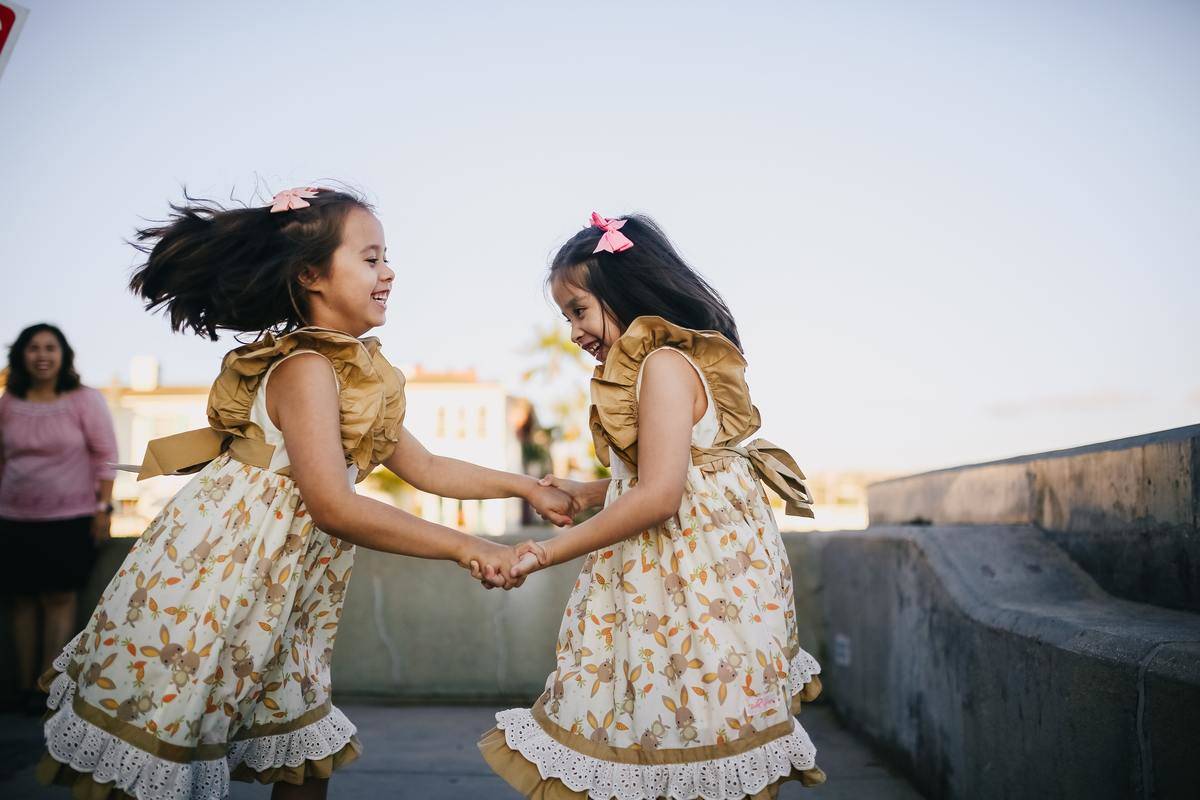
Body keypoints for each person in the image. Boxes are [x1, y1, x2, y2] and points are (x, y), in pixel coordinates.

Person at [36, 186, 572, 800]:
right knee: (166, 740)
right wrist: (470, 548)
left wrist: (528, 485)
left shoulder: (348, 373)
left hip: (282, 590)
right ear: (312, 274)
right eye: (370, 259)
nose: (389, 271)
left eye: (386, 257)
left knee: (303, 753)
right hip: (220, 581)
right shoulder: (305, 370)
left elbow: (425, 466)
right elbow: (334, 504)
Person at [478, 212, 826, 799]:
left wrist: (546, 552)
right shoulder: (658, 367)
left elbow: (661, 496)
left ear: (625, 293)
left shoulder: (664, 365)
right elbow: (678, 471)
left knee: (690, 731)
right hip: (673, 586)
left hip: (691, 596)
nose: (573, 332)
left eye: (579, 310)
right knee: (667, 735)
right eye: (565, 316)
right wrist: (590, 492)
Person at [1, 323, 118, 715]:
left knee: (59, 597)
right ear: (21, 356)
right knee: (19, 600)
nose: (42, 355)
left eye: (50, 347)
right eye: (33, 348)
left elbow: (105, 457)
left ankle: (45, 687)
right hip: (13, 517)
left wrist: (103, 510)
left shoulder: (84, 400)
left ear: (64, 355)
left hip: (70, 517)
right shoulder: (6, 402)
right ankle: (19, 687)